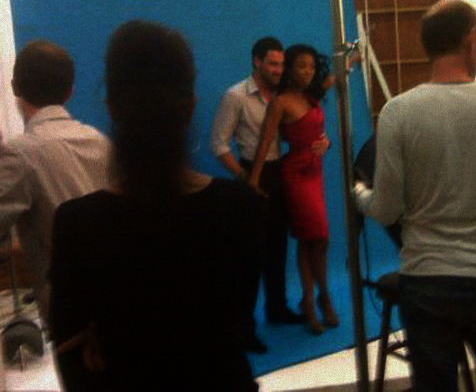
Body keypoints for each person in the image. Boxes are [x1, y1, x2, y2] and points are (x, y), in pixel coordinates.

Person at [49, 21, 261, 391]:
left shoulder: (76, 223)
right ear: (191, 106)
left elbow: (72, 355)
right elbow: (238, 326)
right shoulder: (241, 207)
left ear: (113, 107)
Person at [354, 0, 476, 391]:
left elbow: (386, 209)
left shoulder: (398, 112)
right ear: (472, 38)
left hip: (426, 279)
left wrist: (358, 193)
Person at [0, 40, 109, 324]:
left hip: (70, 316)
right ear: (70, 91)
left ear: (15, 88)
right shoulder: (99, 141)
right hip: (117, 300)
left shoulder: (21, 154)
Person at [211, 37, 306, 352]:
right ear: (257, 62)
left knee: (278, 245)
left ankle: (277, 308)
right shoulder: (235, 96)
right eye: (273, 64)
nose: (279, 70)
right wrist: (244, 178)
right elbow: (218, 144)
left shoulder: (282, 94)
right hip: (250, 172)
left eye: (281, 64)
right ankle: (244, 328)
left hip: (279, 171)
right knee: (250, 255)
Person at [249, 44, 339, 335]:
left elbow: (319, 129)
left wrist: (326, 143)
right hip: (296, 174)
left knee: (316, 240)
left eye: (311, 66)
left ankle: (317, 297)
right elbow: (265, 141)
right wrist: (253, 180)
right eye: (302, 66)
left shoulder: (311, 96)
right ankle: (313, 301)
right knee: (313, 236)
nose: (308, 71)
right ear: (289, 68)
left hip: (316, 170)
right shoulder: (281, 102)